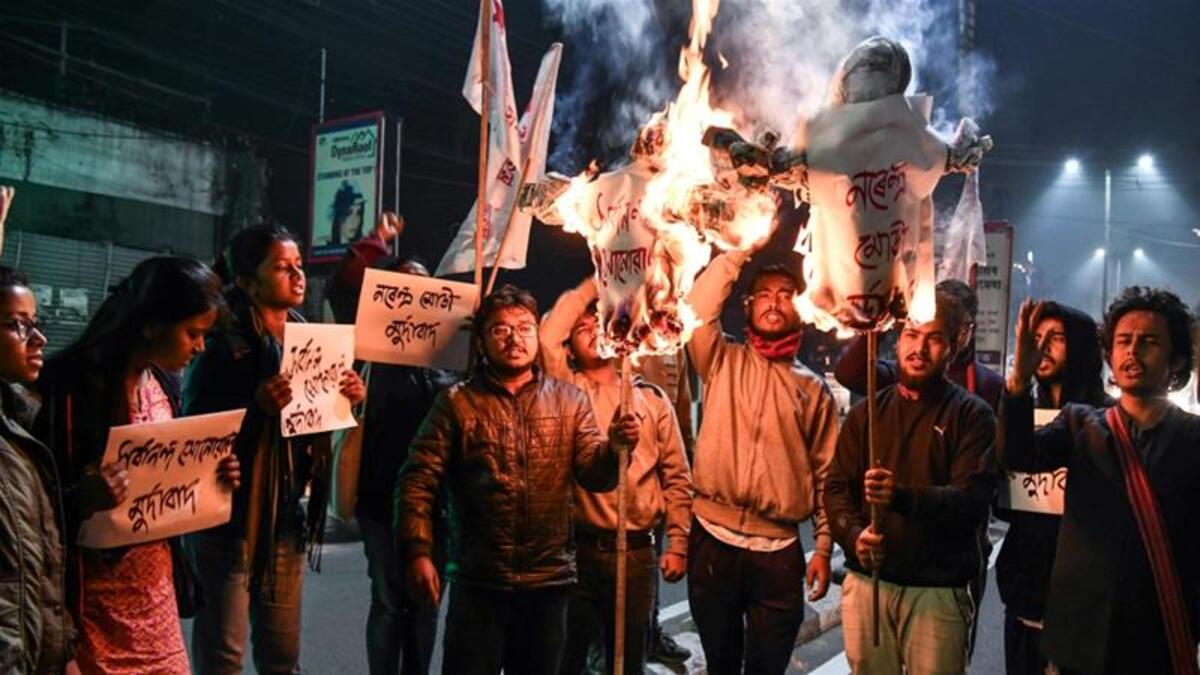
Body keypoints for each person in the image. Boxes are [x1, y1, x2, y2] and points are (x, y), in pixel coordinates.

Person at [395, 284, 638, 675]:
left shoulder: (569, 401)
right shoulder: (457, 403)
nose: (514, 339)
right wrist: (418, 550)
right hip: (479, 582)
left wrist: (615, 449)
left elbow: (596, 475)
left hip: (549, 583)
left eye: (524, 328)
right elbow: (418, 480)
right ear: (481, 339)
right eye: (500, 330)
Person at [36, 257, 241, 675]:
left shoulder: (164, 382)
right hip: (89, 607)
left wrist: (212, 476)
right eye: (192, 333)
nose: (199, 346)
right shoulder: (68, 387)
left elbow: (167, 483)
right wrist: (81, 499)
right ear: (151, 324)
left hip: (155, 594)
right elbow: (31, 508)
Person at [184, 224, 365, 675]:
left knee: (282, 658)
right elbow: (195, 435)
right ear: (247, 279)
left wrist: (348, 397)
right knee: (223, 657)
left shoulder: (308, 336)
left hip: (286, 519)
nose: (297, 275)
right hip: (228, 523)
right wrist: (256, 408)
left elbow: (316, 421)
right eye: (282, 267)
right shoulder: (221, 343)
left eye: (299, 265)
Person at [999, 288, 1200, 674]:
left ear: (1175, 360)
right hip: (1080, 640)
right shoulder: (1080, 423)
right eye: (1123, 341)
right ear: (1109, 354)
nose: (1132, 351)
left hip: (1158, 638)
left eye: (1149, 341)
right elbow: (1017, 457)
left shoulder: (1192, 439)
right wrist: (1019, 383)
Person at [825, 289, 997, 674]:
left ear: (952, 347)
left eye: (934, 338)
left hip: (938, 590)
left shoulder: (973, 416)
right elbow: (835, 488)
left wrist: (900, 497)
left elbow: (971, 500)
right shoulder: (867, 413)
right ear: (897, 339)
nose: (920, 348)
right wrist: (854, 536)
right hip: (869, 582)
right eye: (911, 335)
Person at [684, 251, 839, 675]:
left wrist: (823, 547)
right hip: (712, 541)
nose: (774, 302)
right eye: (764, 294)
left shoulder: (812, 389)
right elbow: (696, 309)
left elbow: (828, 477)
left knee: (767, 668)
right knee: (721, 664)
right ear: (748, 305)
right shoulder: (720, 360)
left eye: (786, 295)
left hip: (778, 553)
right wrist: (736, 252)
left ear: (801, 311)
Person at [539, 278, 692, 673]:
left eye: (598, 322)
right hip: (577, 551)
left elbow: (677, 477)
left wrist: (678, 541)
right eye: (581, 328)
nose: (590, 329)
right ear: (569, 347)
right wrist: (598, 283)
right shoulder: (567, 390)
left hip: (636, 553)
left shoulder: (652, 400)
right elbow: (548, 334)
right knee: (567, 657)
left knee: (625, 660)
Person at [992, 302, 1110, 675]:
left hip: (1085, 609)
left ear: (1080, 346)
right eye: (1036, 338)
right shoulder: (1018, 413)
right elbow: (1003, 497)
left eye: (1055, 338)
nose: (1041, 348)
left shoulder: (1107, 419)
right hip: (1026, 598)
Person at [0, 265, 72, 674]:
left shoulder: (22, 428)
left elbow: (36, 563)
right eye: (18, 325)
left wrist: (65, 648)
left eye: (35, 323)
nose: (39, 339)